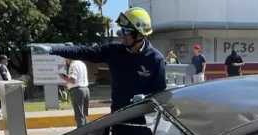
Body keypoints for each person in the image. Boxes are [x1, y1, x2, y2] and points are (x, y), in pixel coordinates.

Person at [32, 7, 165, 115]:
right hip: (117, 117)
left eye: (126, 31)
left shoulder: (155, 59)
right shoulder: (114, 51)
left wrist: (147, 98)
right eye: (121, 30)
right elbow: (84, 51)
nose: (121, 35)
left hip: (145, 120)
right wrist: (53, 49)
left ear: (140, 34)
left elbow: (161, 93)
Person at [60, 58, 89, 127]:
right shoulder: (82, 63)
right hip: (86, 89)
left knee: (79, 115)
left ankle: (82, 134)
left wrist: (62, 77)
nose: (65, 61)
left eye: (65, 59)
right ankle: (87, 132)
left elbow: (73, 80)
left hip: (77, 91)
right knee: (84, 115)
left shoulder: (73, 65)